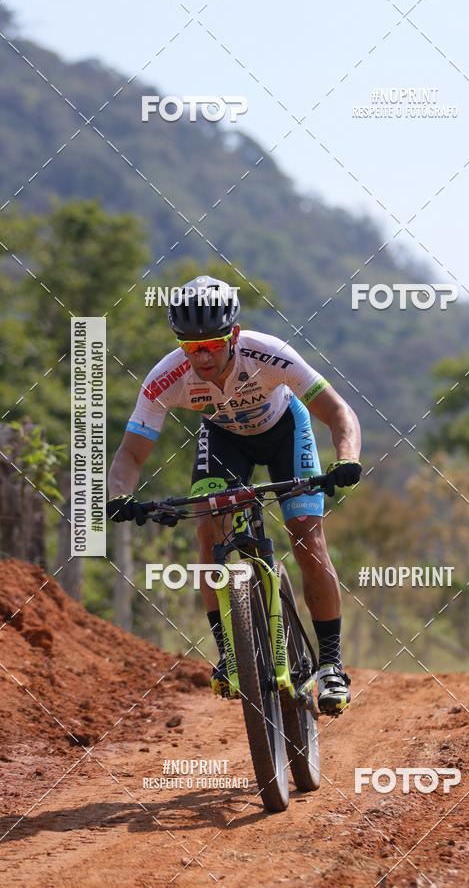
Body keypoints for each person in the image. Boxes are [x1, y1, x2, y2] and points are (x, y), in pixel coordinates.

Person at [106, 275, 362, 715]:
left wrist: (346, 459)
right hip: (224, 441)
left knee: (306, 537)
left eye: (212, 344)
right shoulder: (166, 378)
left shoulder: (270, 354)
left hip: (286, 432)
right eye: (191, 347)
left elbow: (338, 411)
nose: (202, 356)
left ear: (235, 335)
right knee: (209, 531)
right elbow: (131, 451)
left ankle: (331, 664)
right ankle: (230, 652)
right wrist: (119, 496)